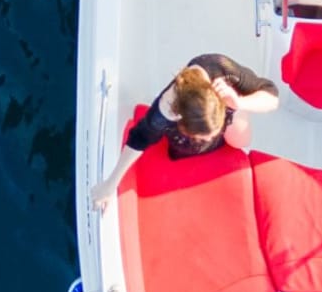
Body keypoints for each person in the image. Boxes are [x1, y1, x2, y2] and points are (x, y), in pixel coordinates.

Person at [90, 54, 279, 211]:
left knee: (241, 141)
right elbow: (139, 139)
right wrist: (110, 184)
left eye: (213, 133)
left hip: (229, 102)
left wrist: (238, 102)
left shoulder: (223, 70)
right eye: (205, 137)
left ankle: (231, 112)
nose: (213, 138)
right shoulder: (164, 112)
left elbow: (272, 95)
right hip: (185, 123)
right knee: (180, 151)